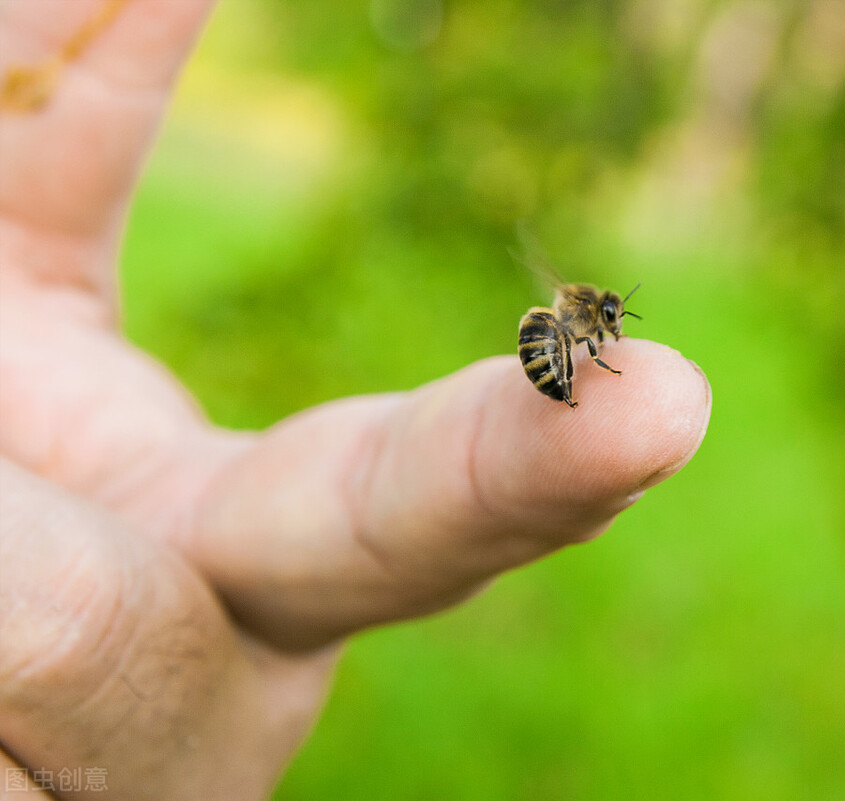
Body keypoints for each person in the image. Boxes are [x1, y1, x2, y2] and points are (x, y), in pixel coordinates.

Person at [0, 1, 711, 798]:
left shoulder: (582, 323)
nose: (611, 328)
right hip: (544, 354)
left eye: (608, 324)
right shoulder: (573, 321)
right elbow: (571, 333)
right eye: (608, 321)